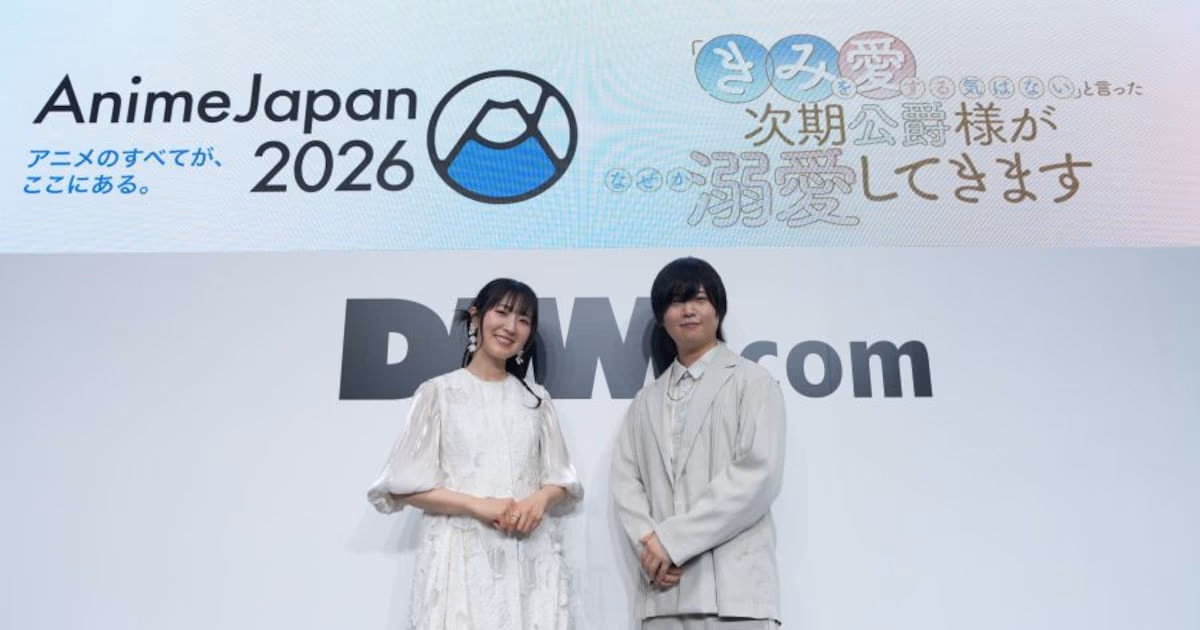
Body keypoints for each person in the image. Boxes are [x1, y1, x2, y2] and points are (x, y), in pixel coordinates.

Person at [368, 278, 582, 630]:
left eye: (524, 320)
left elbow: (562, 479)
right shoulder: (439, 392)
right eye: (503, 312)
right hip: (461, 557)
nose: (511, 327)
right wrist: (477, 505)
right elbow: (403, 486)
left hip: (530, 556)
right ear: (476, 317)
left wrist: (540, 499)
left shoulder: (537, 400)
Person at [611, 257, 787, 629]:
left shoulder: (753, 382)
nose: (688, 310)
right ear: (662, 317)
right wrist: (649, 545)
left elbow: (758, 475)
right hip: (664, 597)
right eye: (677, 302)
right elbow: (627, 481)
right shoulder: (645, 401)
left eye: (700, 299)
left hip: (736, 596)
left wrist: (672, 541)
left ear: (718, 310)